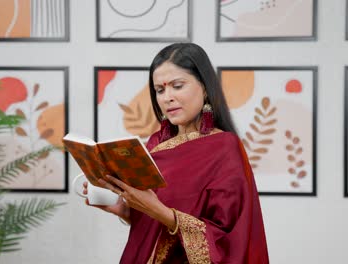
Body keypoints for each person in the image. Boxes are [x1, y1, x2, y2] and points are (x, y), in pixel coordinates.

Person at [83, 43, 269, 263]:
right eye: (160, 90)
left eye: (177, 86)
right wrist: (124, 210)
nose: (166, 97)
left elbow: (227, 240)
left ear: (205, 87)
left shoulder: (224, 148)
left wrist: (158, 210)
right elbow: (157, 225)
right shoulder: (155, 144)